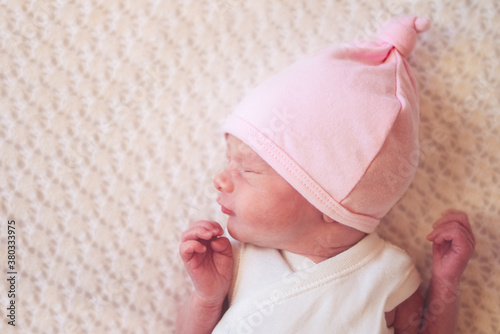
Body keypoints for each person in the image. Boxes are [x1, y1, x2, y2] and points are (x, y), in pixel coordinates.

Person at [176, 16, 475, 333]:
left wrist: (446, 283)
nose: (220, 180)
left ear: (330, 199)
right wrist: (207, 298)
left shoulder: (387, 276)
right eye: (229, 163)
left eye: (247, 169)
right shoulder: (231, 262)